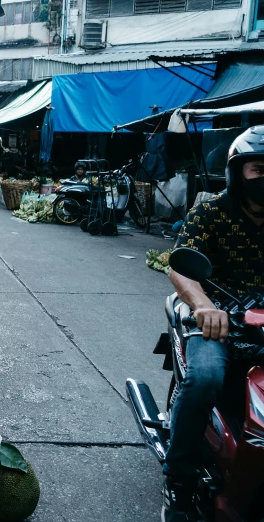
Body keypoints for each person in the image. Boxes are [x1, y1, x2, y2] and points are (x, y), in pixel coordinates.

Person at [162, 126, 264, 522]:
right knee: (205, 377)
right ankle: (179, 476)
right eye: (259, 170)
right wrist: (204, 306)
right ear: (238, 172)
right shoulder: (211, 212)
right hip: (221, 321)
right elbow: (180, 266)